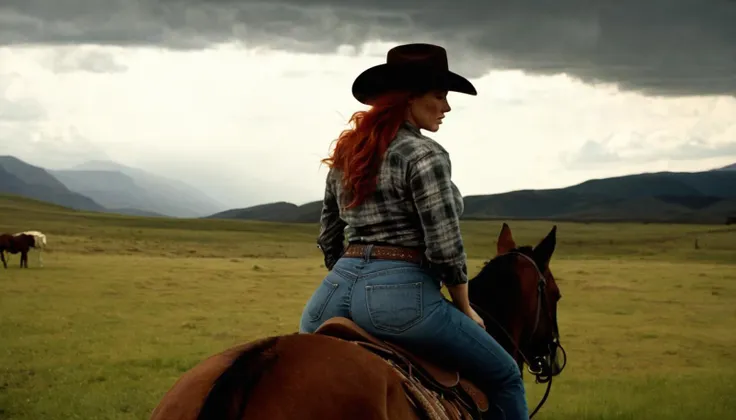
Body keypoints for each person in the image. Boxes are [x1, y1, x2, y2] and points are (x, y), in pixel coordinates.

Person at [298, 43, 528, 419]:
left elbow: (328, 235)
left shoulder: (349, 152)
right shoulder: (426, 155)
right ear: (409, 99)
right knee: (504, 376)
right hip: (400, 301)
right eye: (440, 96)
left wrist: (353, 275)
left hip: (329, 299)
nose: (447, 107)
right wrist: (466, 308)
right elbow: (445, 248)